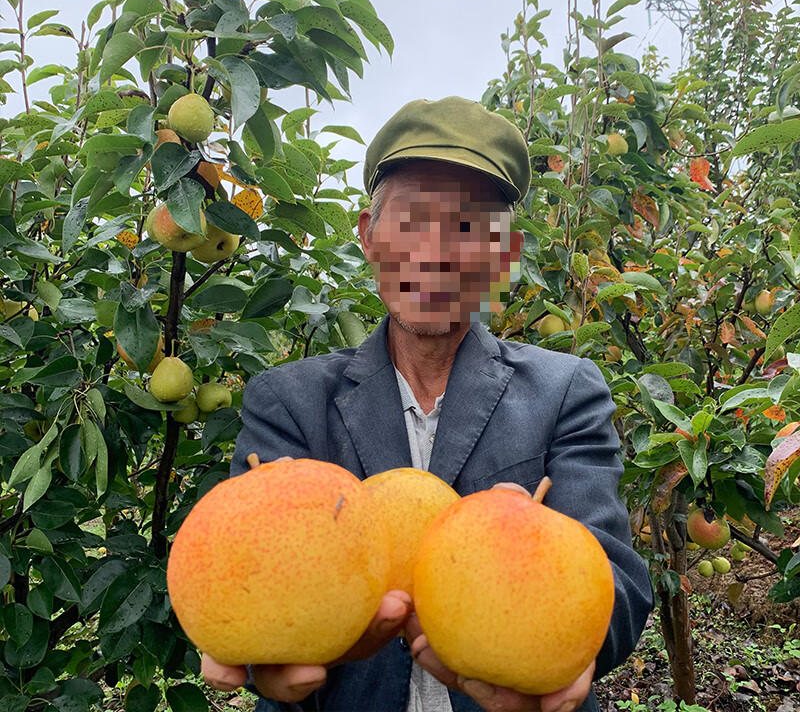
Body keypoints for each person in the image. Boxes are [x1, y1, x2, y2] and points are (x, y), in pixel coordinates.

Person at [201, 97, 654, 712]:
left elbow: (615, 579)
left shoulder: (565, 391)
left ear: (505, 254)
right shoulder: (289, 400)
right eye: (411, 221)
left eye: (469, 227)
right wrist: (260, 658)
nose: (436, 252)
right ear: (368, 237)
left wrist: (570, 651)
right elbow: (246, 566)